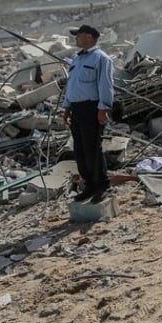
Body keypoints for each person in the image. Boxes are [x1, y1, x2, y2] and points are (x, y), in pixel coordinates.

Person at [61, 23, 115, 203]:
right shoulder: (77, 59)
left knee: (92, 149)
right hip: (76, 109)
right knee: (80, 150)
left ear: (89, 37)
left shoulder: (101, 58)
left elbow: (105, 85)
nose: (76, 38)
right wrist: (67, 107)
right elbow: (72, 86)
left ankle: (102, 185)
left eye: (79, 35)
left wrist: (103, 108)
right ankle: (89, 185)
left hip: (92, 108)